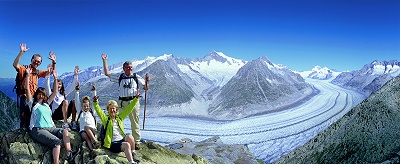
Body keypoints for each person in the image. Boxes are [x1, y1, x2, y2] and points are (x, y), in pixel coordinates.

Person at [25, 67, 78, 164]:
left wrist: (55, 78)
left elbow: (55, 92)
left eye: (43, 94)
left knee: (65, 131)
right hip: (38, 129)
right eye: (39, 94)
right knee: (56, 142)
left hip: (50, 127)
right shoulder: (32, 103)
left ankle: (69, 152)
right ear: (36, 95)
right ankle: (56, 162)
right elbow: (27, 89)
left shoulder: (47, 104)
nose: (41, 96)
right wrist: (28, 76)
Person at [101, 53, 149, 149]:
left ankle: (136, 141)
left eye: (131, 67)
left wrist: (147, 81)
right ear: (124, 68)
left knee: (134, 122)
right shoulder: (120, 77)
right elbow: (107, 74)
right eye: (127, 67)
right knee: (114, 119)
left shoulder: (136, 77)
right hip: (121, 103)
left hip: (133, 103)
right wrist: (104, 60)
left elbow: (145, 88)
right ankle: (112, 137)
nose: (129, 69)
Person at [13, 43, 56, 129]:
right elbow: (15, 65)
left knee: (33, 114)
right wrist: (21, 52)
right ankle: (23, 129)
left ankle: (31, 128)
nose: (36, 62)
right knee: (24, 113)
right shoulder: (24, 69)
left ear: (40, 63)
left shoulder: (37, 72)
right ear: (31, 60)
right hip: (25, 96)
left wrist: (54, 62)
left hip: (34, 97)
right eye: (35, 60)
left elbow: (50, 72)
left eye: (38, 61)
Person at [93, 90, 141, 164]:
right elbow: (98, 111)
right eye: (110, 108)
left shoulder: (120, 117)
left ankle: (133, 153)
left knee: (130, 137)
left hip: (121, 139)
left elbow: (129, 109)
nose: (112, 110)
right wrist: (95, 102)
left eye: (114, 108)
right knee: (127, 144)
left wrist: (136, 99)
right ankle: (131, 162)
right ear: (108, 110)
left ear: (116, 109)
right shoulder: (106, 119)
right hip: (113, 144)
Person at [45, 64, 77, 130]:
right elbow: (46, 85)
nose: (58, 85)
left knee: (74, 101)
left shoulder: (63, 93)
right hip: (55, 114)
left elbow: (72, 86)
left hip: (64, 113)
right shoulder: (51, 93)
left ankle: (73, 122)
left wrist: (76, 76)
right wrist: (48, 74)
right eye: (57, 84)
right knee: (65, 101)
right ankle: (65, 124)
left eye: (60, 84)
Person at [74, 79, 101, 151]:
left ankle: (95, 141)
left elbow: (94, 102)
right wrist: (77, 91)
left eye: (87, 106)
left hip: (92, 129)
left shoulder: (92, 111)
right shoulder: (80, 112)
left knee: (86, 127)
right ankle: (93, 150)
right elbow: (76, 101)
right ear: (82, 106)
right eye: (84, 106)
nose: (86, 107)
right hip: (83, 131)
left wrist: (94, 91)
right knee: (86, 137)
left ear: (89, 106)